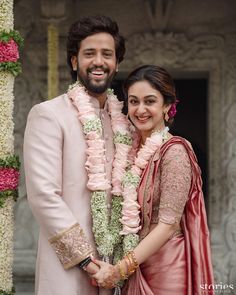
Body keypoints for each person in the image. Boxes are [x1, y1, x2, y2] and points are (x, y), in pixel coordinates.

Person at [23, 15, 128, 295]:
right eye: (89, 53)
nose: (98, 61)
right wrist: (90, 264)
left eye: (107, 54)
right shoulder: (49, 114)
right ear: (74, 61)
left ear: (116, 63)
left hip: (118, 270)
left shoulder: (124, 123)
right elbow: (44, 196)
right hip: (68, 269)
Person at [92, 65, 215, 294]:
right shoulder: (130, 152)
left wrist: (119, 271)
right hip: (136, 265)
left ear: (167, 105)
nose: (140, 110)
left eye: (150, 101)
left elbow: (168, 226)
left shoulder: (174, 152)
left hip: (166, 268)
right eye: (134, 101)